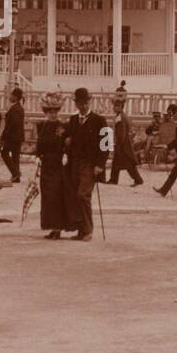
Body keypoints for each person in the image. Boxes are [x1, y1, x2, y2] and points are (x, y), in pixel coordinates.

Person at [63, 87, 106, 241]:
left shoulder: (100, 120)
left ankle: (88, 230)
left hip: (90, 164)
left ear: (89, 101)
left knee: (83, 195)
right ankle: (81, 230)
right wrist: (67, 141)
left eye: (85, 102)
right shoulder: (73, 120)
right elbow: (66, 136)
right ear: (76, 104)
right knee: (75, 195)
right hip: (75, 164)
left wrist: (100, 165)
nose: (83, 106)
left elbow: (106, 145)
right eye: (80, 103)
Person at [34, 91, 73, 239]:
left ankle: (58, 228)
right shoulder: (42, 127)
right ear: (46, 112)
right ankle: (51, 226)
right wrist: (37, 156)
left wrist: (65, 154)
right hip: (46, 166)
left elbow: (67, 144)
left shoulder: (62, 127)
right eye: (50, 111)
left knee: (57, 195)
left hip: (58, 164)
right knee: (47, 197)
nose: (52, 114)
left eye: (55, 111)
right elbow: (40, 144)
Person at [106, 89, 143, 187]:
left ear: (120, 107)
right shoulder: (120, 116)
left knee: (128, 164)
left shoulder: (121, 117)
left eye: (116, 106)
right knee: (117, 162)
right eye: (114, 105)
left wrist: (118, 144)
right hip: (123, 143)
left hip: (123, 144)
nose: (114, 107)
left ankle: (138, 179)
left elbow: (121, 133)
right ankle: (114, 179)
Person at [1, 87, 25, 183]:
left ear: (15, 97)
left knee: (4, 154)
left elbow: (12, 124)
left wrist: (4, 135)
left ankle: (16, 173)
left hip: (12, 137)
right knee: (15, 156)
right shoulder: (19, 107)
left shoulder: (15, 108)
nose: (10, 96)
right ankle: (16, 177)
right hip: (18, 136)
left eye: (11, 95)